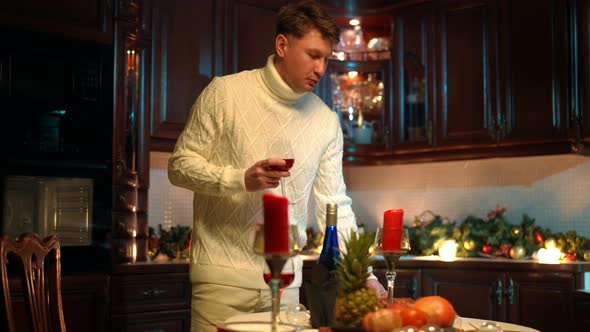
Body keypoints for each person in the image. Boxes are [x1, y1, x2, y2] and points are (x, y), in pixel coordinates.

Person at [168, 1, 385, 331]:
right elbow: (180, 166)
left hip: (285, 287)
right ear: (282, 45)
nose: (321, 68)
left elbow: (334, 206)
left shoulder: (326, 121)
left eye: (326, 58)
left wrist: (364, 273)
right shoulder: (224, 93)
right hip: (221, 285)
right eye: (313, 55)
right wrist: (240, 178)